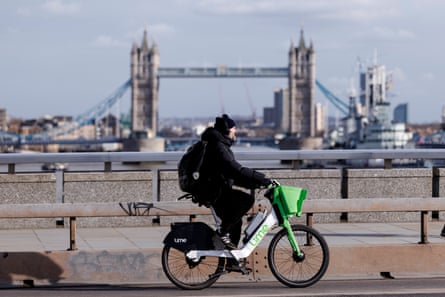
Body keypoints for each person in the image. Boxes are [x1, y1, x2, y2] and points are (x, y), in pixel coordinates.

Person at [198, 114, 271, 251]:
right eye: (233, 129)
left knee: (236, 223)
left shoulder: (219, 144)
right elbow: (235, 168)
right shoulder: (218, 146)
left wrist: (253, 183)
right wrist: (261, 178)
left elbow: (231, 174)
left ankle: (231, 260)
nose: (235, 131)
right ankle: (222, 233)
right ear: (226, 131)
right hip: (214, 191)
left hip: (216, 189)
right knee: (246, 200)